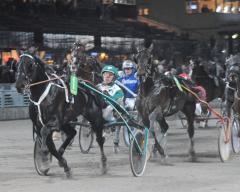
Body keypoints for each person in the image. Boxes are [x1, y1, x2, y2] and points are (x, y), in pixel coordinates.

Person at [97, 65, 124, 153]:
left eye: (110, 75)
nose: (107, 77)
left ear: (114, 77)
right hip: (98, 109)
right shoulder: (97, 87)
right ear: (102, 75)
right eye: (105, 74)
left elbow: (116, 101)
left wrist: (108, 97)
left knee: (107, 109)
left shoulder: (118, 89)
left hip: (112, 112)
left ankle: (109, 129)